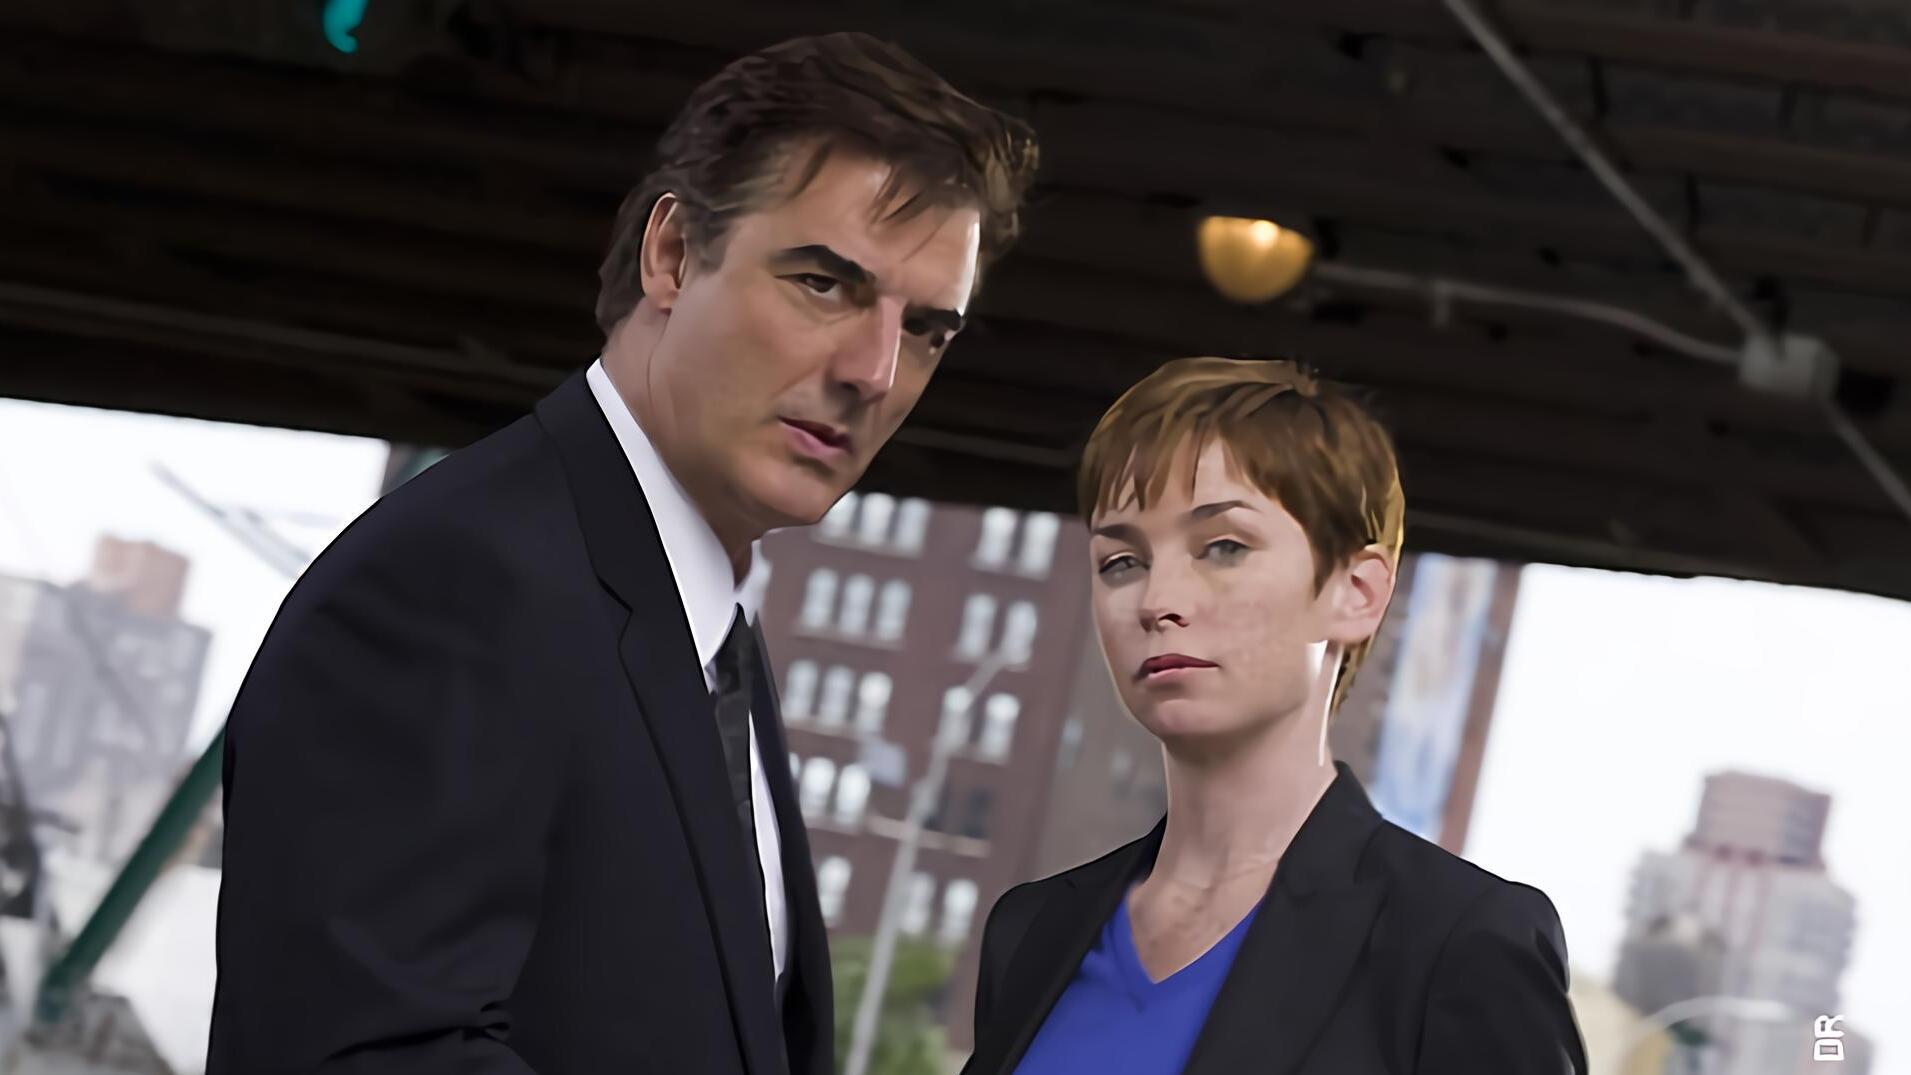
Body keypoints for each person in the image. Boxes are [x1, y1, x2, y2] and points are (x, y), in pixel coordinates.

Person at [208, 33, 1037, 1075]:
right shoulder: (456, 587)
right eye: (824, 284)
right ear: (673, 255)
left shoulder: (701, 631)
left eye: (926, 331)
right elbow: (364, 1055)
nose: (874, 371)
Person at [963, 358, 1587, 1075]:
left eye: (1223, 547)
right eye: (1121, 561)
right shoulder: (1033, 929)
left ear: (1356, 591)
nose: (1157, 601)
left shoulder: (1456, 942)